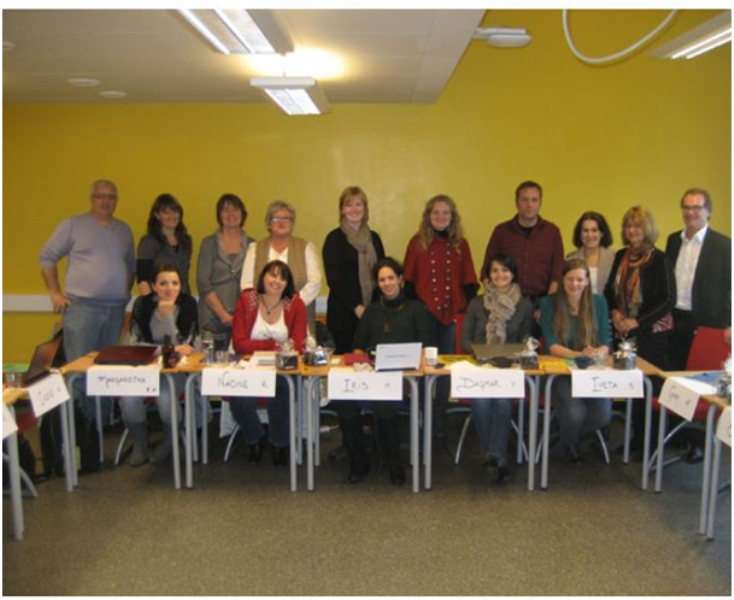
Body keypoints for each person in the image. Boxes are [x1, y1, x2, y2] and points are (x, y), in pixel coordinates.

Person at [39, 179, 135, 472]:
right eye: (100, 196)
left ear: (116, 200)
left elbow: (130, 267)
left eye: (111, 197)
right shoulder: (73, 225)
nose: (106, 201)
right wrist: (55, 294)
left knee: (104, 375)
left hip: (114, 311)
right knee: (80, 375)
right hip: (82, 310)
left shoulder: (123, 230)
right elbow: (47, 256)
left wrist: (122, 294)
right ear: (91, 198)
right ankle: (80, 443)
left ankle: (97, 441)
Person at [341, 257, 433, 485]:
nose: (387, 283)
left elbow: (426, 347)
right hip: (370, 375)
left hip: (404, 378)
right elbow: (357, 345)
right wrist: (361, 364)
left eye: (391, 278)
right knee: (344, 404)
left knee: (384, 404)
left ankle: (394, 463)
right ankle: (359, 462)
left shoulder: (416, 309)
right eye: (382, 280)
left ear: (400, 279)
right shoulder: (372, 311)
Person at [404, 194, 478, 435]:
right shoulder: (417, 243)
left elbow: (469, 280)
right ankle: (422, 415)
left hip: (450, 315)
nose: (441, 216)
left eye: (446, 212)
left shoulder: (461, 245)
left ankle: (440, 417)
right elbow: (409, 281)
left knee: (445, 368)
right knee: (424, 367)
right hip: (423, 315)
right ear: (428, 216)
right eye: (436, 212)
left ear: (452, 216)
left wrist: (464, 310)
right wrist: (415, 312)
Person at [605, 206, 675, 457]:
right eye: (628, 225)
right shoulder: (621, 255)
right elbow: (609, 291)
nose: (631, 230)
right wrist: (615, 313)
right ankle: (636, 439)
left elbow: (668, 299)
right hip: (624, 332)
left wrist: (637, 322)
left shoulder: (659, 259)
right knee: (631, 388)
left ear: (647, 229)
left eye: (637, 226)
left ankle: (651, 443)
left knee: (647, 388)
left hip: (651, 334)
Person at [460, 254, 533, 483]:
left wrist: (517, 354)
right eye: (495, 271)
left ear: (513, 274)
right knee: (481, 402)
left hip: (510, 368)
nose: (500, 275)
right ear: (488, 275)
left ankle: (493, 457)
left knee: (502, 402)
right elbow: (465, 340)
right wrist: (482, 354)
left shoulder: (524, 305)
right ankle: (498, 460)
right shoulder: (477, 303)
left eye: (505, 270)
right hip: (481, 365)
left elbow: (527, 340)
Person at [230, 260, 307, 466]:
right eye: (272, 275)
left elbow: (299, 345)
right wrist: (272, 345)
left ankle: (280, 444)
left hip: (283, 369)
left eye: (283, 278)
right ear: (263, 277)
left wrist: (259, 346)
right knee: (238, 398)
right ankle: (255, 438)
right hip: (249, 368)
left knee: (281, 392)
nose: (277, 281)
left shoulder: (295, 303)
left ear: (287, 283)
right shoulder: (247, 300)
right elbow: (239, 343)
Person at [121, 264, 198, 466]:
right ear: (154, 286)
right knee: (128, 399)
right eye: (163, 283)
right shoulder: (142, 304)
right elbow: (134, 343)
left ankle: (170, 442)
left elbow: (187, 346)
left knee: (165, 397)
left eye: (175, 283)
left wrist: (168, 317)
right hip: (145, 368)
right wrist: (166, 348)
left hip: (175, 370)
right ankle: (140, 443)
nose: (169, 288)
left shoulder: (188, 304)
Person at [540, 259, 613, 464]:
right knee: (575, 412)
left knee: (602, 414)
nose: (575, 284)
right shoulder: (548, 303)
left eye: (580, 279)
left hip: (590, 370)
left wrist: (597, 352)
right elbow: (552, 345)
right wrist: (578, 354)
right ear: (562, 280)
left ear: (587, 281)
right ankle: (569, 443)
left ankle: (568, 434)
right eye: (570, 279)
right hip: (558, 372)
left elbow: (606, 342)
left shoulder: (599, 302)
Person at [665, 188, 731, 370]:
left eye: (696, 208)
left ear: (708, 211)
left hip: (708, 323)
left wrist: (731, 324)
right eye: (686, 207)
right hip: (675, 319)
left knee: (701, 374)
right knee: (674, 373)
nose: (690, 212)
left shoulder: (724, 245)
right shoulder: (673, 241)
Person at [241, 200, 322, 334]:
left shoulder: (306, 248)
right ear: (268, 223)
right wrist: (265, 306)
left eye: (286, 218)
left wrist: (291, 305)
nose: (282, 222)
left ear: (292, 222)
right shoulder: (255, 249)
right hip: (261, 320)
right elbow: (246, 284)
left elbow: (315, 282)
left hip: (298, 318)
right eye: (276, 218)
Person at [322, 186, 385, 354]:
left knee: (372, 363)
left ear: (365, 208)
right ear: (342, 210)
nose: (354, 209)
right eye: (349, 205)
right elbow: (334, 279)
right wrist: (356, 307)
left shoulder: (375, 239)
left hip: (372, 313)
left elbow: (382, 275)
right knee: (345, 364)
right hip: (343, 315)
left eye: (358, 204)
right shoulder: (334, 239)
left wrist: (372, 310)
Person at [480, 180, 564, 304]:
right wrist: (496, 301)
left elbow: (557, 273)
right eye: (524, 200)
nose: (529, 205)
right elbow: (487, 270)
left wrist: (547, 305)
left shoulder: (552, 233)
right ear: (516, 202)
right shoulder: (501, 231)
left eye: (534, 200)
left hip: (540, 302)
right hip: (507, 303)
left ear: (540, 203)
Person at [196, 193, 255, 351]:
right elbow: (203, 282)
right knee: (212, 364)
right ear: (219, 215)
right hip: (212, 317)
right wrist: (222, 314)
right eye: (225, 210)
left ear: (242, 214)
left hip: (244, 318)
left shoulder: (253, 245)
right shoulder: (209, 243)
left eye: (235, 210)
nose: (230, 214)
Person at [137, 193, 193, 295]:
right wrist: (152, 302)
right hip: (157, 299)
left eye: (175, 211)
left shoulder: (186, 241)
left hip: (184, 298)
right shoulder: (148, 242)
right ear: (157, 215)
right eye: (166, 213)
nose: (171, 216)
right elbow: (142, 280)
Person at [566, 211, 616, 294]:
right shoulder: (570, 259)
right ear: (580, 234)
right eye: (585, 230)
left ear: (602, 233)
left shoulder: (614, 258)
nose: (589, 235)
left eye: (594, 230)